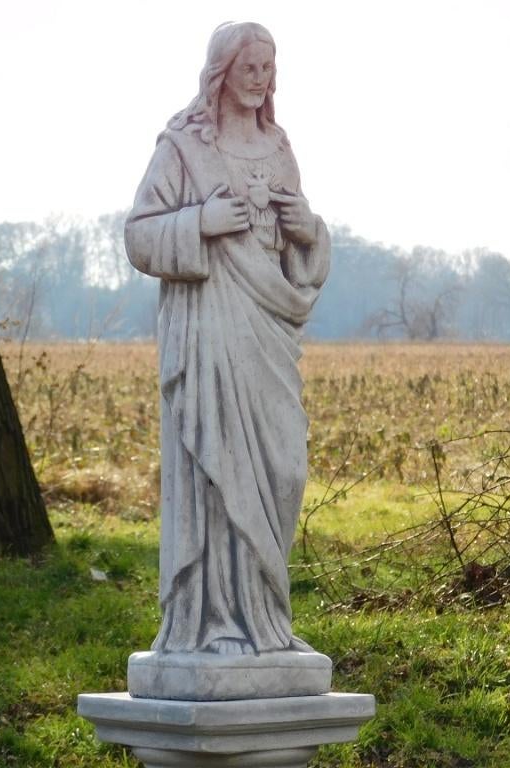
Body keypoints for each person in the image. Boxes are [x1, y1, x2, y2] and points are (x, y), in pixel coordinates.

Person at [125, 21, 330, 655]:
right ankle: (214, 622)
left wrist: (307, 228)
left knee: (283, 466)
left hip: (267, 326)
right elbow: (139, 236)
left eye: (270, 67)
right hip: (210, 325)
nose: (261, 77)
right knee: (219, 468)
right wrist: (201, 222)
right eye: (250, 66)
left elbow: (304, 248)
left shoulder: (278, 146)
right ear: (223, 69)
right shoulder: (185, 147)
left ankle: (267, 616)